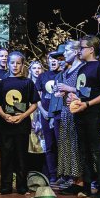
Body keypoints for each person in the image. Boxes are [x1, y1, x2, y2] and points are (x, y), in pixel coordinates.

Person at [69, 35, 100, 198]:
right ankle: (86, 186)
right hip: (80, 114)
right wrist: (75, 99)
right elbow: (82, 91)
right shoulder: (82, 68)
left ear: (91, 49)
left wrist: (88, 104)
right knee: (83, 151)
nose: (79, 51)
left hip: (93, 114)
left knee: (95, 150)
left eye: (82, 48)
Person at [0, 51, 40, 195]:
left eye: (18, 63)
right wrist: (5, 116)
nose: (15, 65)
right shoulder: (2, 83)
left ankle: (22, 186)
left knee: (21, 157)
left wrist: (23, 116)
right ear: (8, 64)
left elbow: (34, 103)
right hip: (6, 126)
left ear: (22, 65)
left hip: (22, 126)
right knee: (6, 156)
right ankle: (5, 186)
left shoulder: (27, 83)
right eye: (12, 62)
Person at [55, 40, 84, 196]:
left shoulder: (81, 68)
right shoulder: (67, 70)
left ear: (76, 51)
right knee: (67, 145)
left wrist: (69, 88)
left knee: (76, 145)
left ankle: (81, 181)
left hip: (77, 112)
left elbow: (87, 89)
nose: (64, 54)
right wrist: (62, 92)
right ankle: (74, 180)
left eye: (67, 50)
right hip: (66, 111)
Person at [35, 51, 63, 184]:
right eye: (50, 58)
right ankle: (52, 174)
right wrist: (43, 112)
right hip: (45, 115)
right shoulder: (42, 76)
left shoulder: (62, 75)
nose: (53, 61)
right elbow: (37, 97)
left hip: (58, 115)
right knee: (49, 145)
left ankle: (63, 174)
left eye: (56, 59)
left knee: (61, 144)